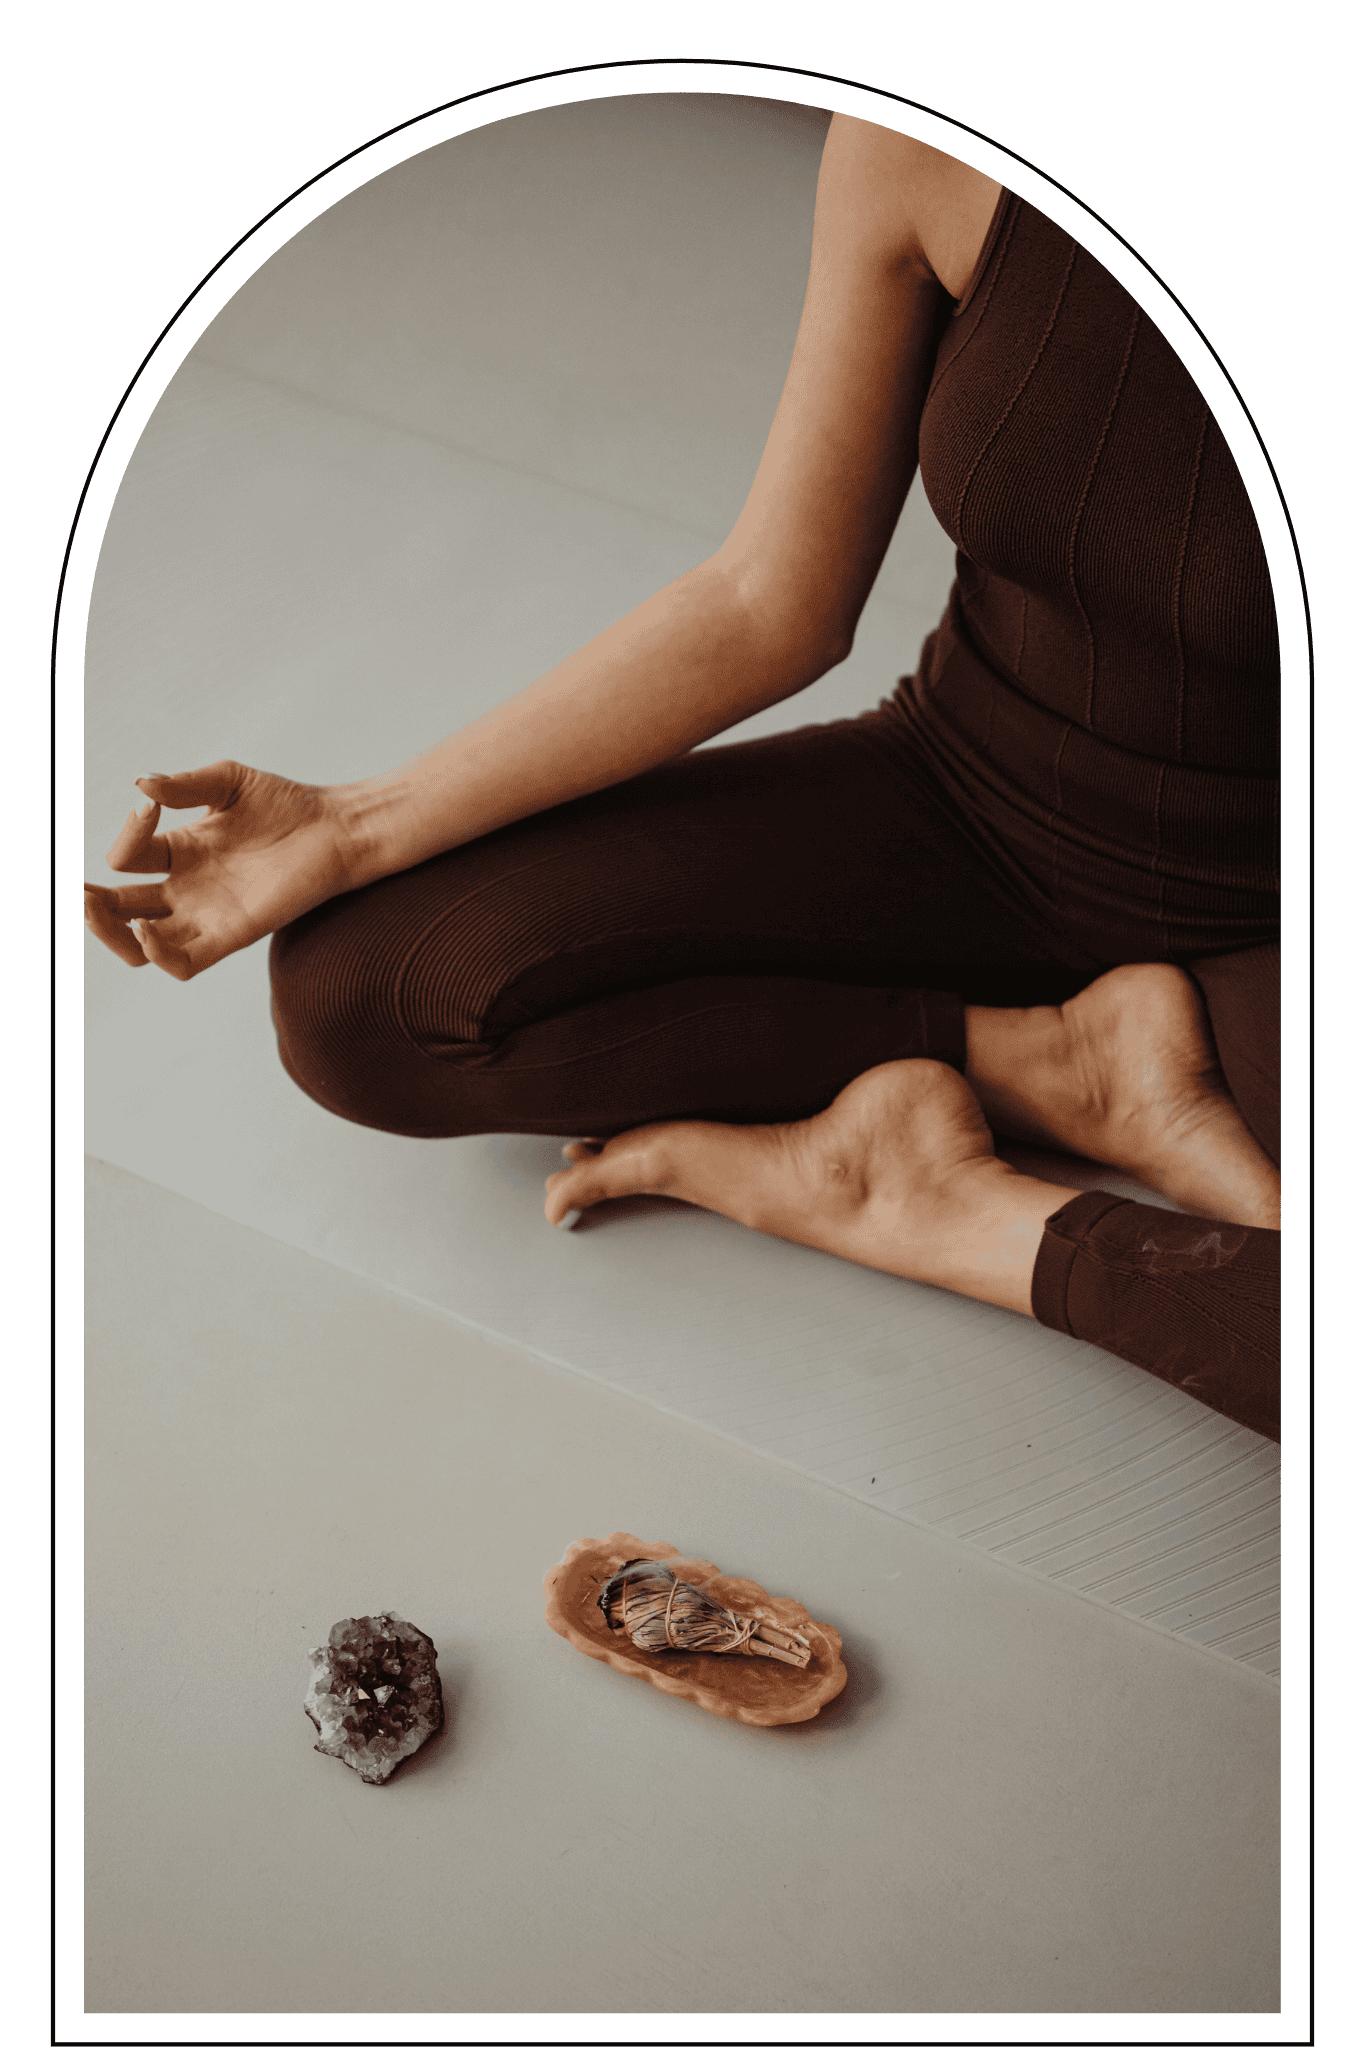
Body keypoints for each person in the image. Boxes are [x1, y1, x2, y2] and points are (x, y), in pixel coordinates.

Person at [84, 116, 1281, 1442]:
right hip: (963, 788)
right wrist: (351, 826)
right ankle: (1056, 1061)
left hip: (1265, 915)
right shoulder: (920, 152)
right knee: (366, 998)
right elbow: (770, 600)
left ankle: (961, 1221)